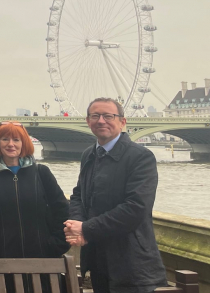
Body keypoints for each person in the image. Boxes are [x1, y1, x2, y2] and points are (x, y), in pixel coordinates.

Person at [65, 98, 167, 293]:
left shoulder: (141, 157)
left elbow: (136, 208)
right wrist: (77, 224)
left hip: (132, 262)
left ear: (122, 121)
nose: (101, 121)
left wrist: (86, 229)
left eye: (108, 116)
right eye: (95, 116)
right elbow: (79, 195)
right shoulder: (88, 154)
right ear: (88, 121)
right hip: (97, 259)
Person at [0, 122, 69, 261]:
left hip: (41, 259)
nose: (11, 144)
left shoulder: (41, 173)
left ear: (24, 143)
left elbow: (62, 210)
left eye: (16, 140)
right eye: (5, 139)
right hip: (1, 260)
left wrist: (54, 245)